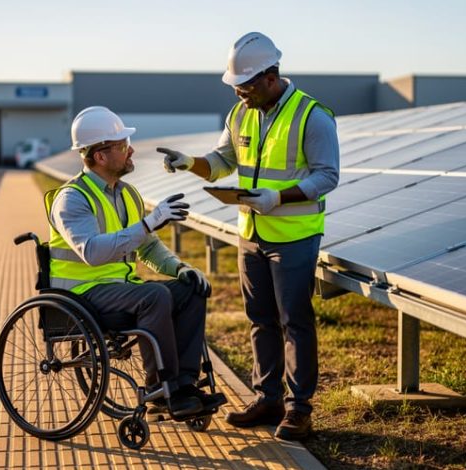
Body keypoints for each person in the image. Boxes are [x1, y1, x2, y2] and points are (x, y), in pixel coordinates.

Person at [157, 32, 340, 440]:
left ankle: (299, 409)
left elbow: (328, 175)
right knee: (260, 320)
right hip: (251, 233)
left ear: (271, 76)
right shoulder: (241, 113)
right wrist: (190, 163)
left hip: (294, 236)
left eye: (246, 86)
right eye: (236, 87)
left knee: (295, 322)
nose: (239, 93)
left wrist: (278, 196)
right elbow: (222, 162)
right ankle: (268, 398)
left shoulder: (313, 116)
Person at [46, 106, 224, 418]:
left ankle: (184, 384)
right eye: (122, 145)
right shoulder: (71, 199)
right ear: (100, 156)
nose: (131, 150)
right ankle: (162, 388)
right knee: (155, 295)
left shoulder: (127, 193)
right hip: (81, 293)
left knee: (190, 289)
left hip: (118, 288)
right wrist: (147, 224)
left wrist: (181, 268)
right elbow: (92, 253)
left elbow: (148, 246)